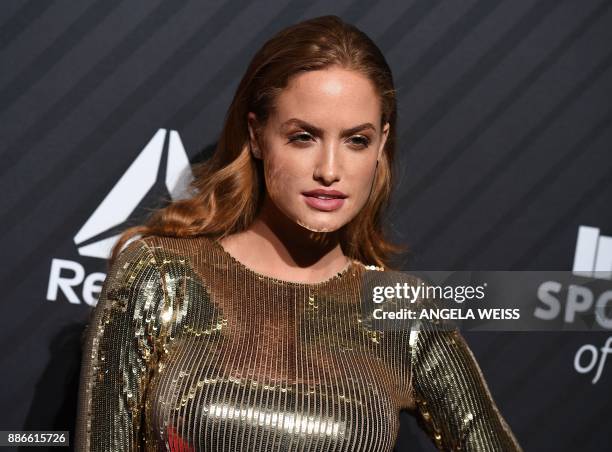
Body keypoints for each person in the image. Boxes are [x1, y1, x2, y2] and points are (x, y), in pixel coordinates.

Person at [75, 15, 522, 452]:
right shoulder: (162, 276)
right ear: (256, 135)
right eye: (303, 136)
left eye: (357, 140)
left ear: (382, 144)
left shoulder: (400, 314)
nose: (330, 170)